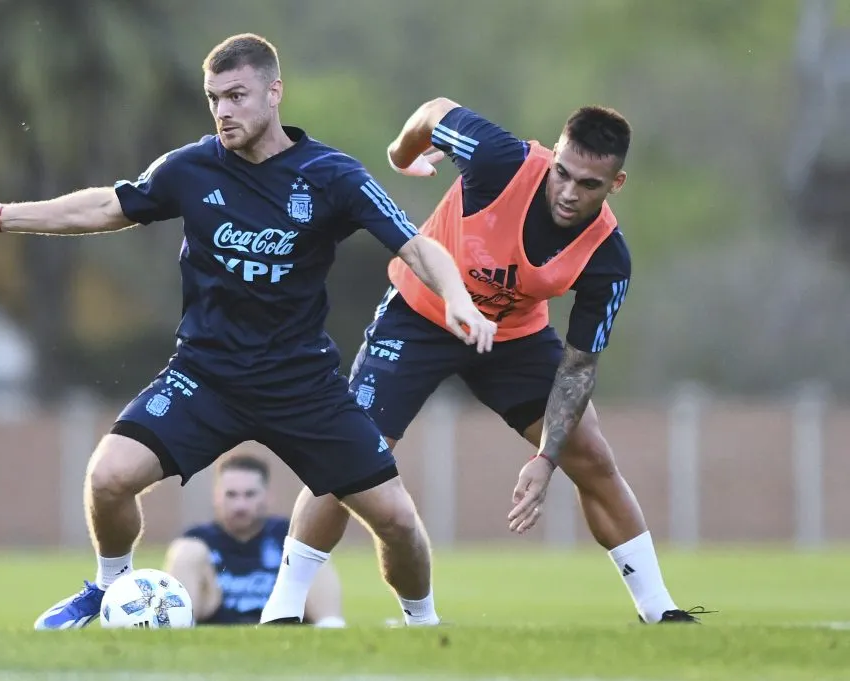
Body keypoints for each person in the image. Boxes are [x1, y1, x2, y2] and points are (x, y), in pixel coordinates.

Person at [0, 34, 496, 630]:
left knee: (398, 521)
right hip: (206, 376)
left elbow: (416, 247)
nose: (224, 111)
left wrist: (458, 298)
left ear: (274, 93)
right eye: (214, 99)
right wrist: (2, 215)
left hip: (302, 385)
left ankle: (423, 624)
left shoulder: (332, 176)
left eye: (237, 95)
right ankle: (107, 592)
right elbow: (105, 206)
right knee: (108, 477)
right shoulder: (191, 167)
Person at [266, 97, 706, 625]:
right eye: (562, 174)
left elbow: (580, 365)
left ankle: (659, 610)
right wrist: (402, 154)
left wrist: (546, 459)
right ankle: (284, 608)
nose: (568, 193)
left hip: (514, 336)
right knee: (354, 451)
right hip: (421, 313)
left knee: (589, 452)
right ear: (555, 156)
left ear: (616, 184)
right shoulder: (499, 160)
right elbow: (433, 111)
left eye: (589, 185)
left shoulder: (608, 257)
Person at [165, 452, 344, 627]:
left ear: (267, 497)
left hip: (283, 631)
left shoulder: (287, 534)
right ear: (216, 497)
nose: (240, 505)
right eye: (231, 495)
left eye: (249, 494)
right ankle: (178, 626)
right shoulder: (199, 539)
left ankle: (330, 626)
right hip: (218, 626)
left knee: (310, 548)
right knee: (185, 551)